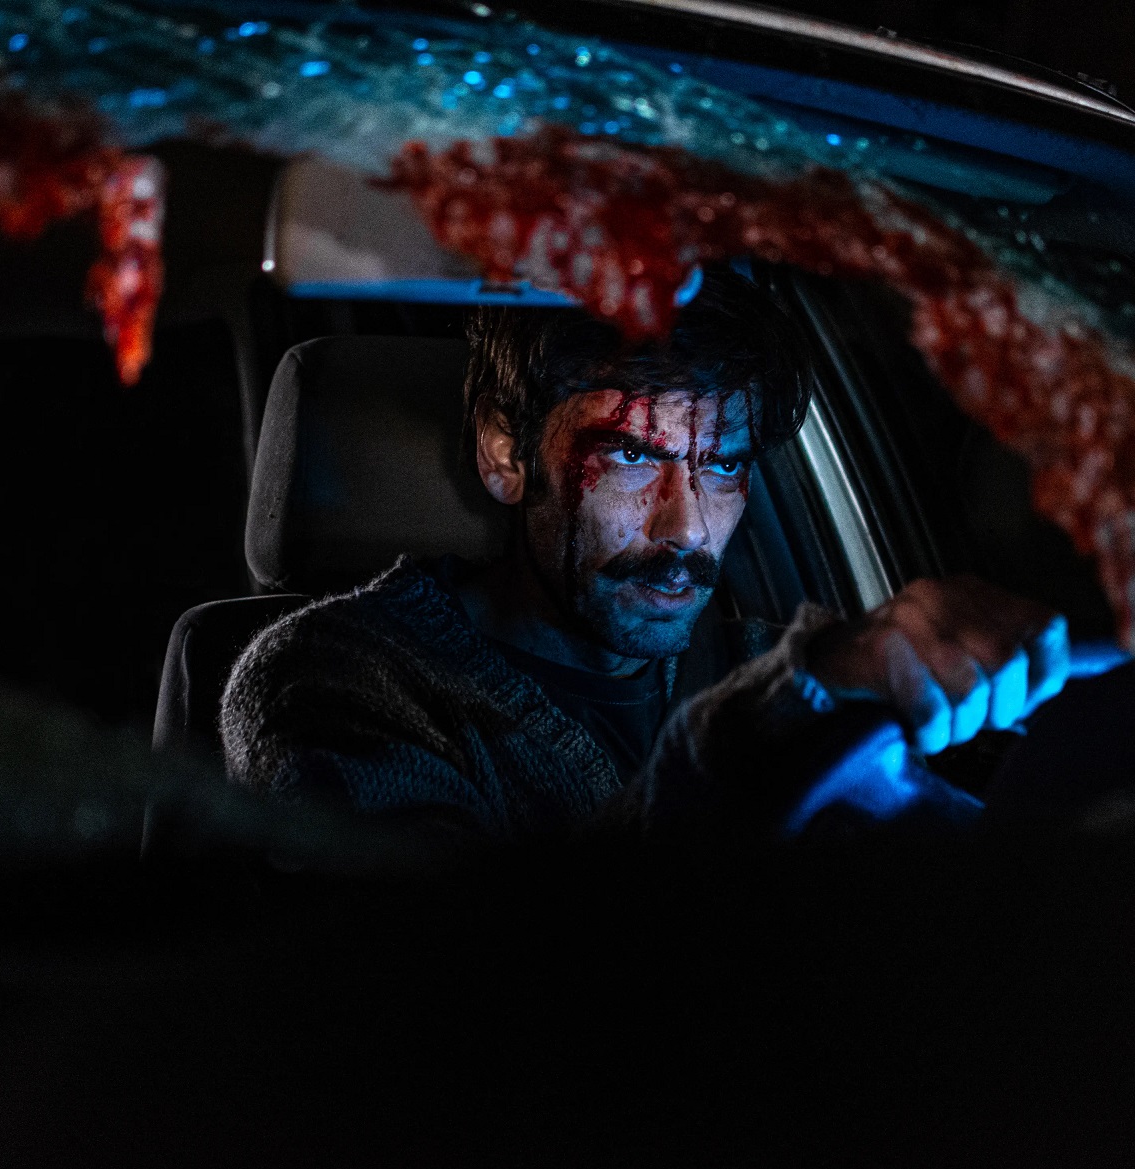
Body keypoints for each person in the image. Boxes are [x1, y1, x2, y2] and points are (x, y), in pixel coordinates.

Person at [219, 266, 1070, 854]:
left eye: (724, 465)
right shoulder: (334, 678)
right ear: (502, 452)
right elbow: (440, 1007)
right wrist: (775, 737)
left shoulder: (767, 665)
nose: (686, 529)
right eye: (630, 457)